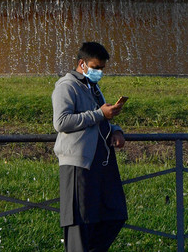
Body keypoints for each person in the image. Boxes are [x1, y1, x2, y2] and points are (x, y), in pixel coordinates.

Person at [52, 41, 127, 252]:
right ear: (82, 64)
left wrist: (116, 129)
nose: (99, 72)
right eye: (96, 67)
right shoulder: (66, 86)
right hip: (79, 163)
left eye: (102, 68)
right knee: (80, 222)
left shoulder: (92, 87)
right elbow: (61, 122)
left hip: (101, 161)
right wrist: (100, 114)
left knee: (114, 213)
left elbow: (100, 116)